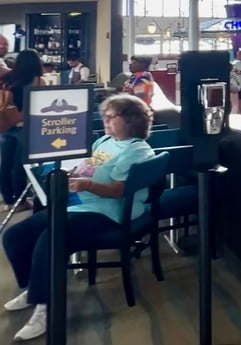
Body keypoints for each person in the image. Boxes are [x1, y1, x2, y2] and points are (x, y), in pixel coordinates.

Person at [2, 94, 155, 341]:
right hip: (82, 204)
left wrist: (86, 185)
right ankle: (35, 288)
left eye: (111, 116)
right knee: (15, 236)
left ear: (131, 120)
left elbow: (118, 190)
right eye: (104, 115)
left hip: (109, 211)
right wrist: (73, 174)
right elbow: (89, 167)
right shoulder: (105, 141)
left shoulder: (137, 150)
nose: (105, 119)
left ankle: (46, 307)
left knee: (48, 240)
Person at [0, 50, 43, 210]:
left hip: (6, 124)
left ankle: (8, 200)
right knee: (19, 166)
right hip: (25, 126)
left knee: (5, 164)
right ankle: (20, 202)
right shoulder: (37, 80)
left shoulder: (8, 78)